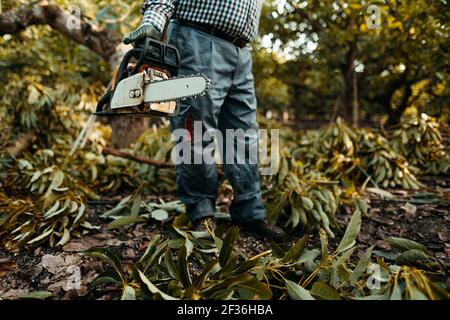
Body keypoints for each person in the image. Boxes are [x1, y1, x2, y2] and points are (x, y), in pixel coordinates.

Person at [124, 0, 286, 242]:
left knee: (244, 134)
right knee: (195, 130)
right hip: (199, 39)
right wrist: (153, 21)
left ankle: (250, 212)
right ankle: (201, 212)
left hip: (241, 51)